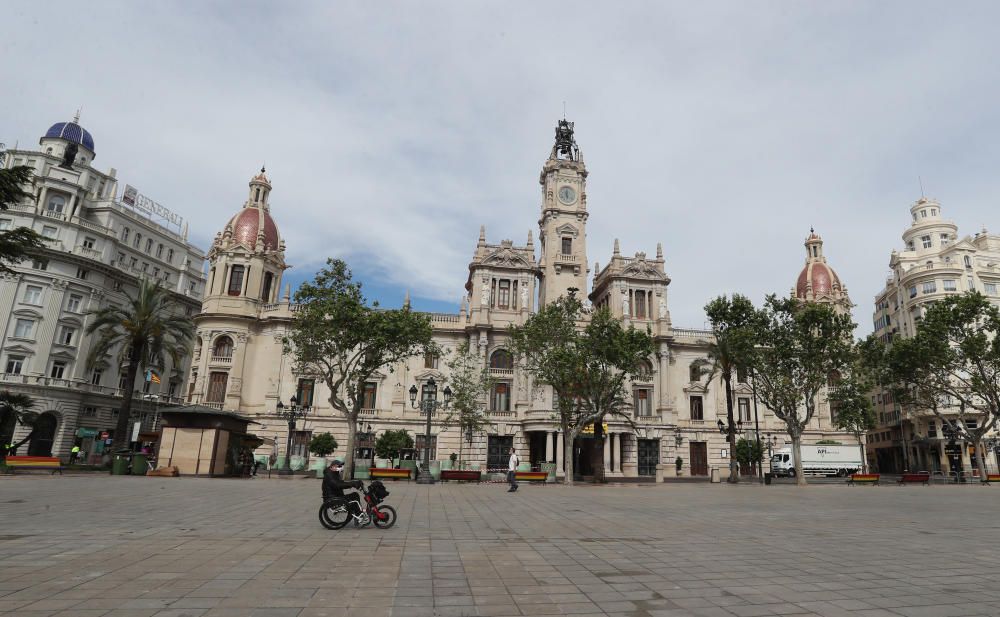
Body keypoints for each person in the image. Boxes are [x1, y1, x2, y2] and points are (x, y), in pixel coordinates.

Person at [322, 459, 367, 524]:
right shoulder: (329, 475)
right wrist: (352, 484)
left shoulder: (334, 473)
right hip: (332, 498)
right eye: (339, 466)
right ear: (332, 467)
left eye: (341, 466)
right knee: (355, 497)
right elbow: (338, 485)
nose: (340, 468)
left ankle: (358, 515)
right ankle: (358, 515)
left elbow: (341, 483)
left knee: (355, 495)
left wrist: (353, 483)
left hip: (336, 496)